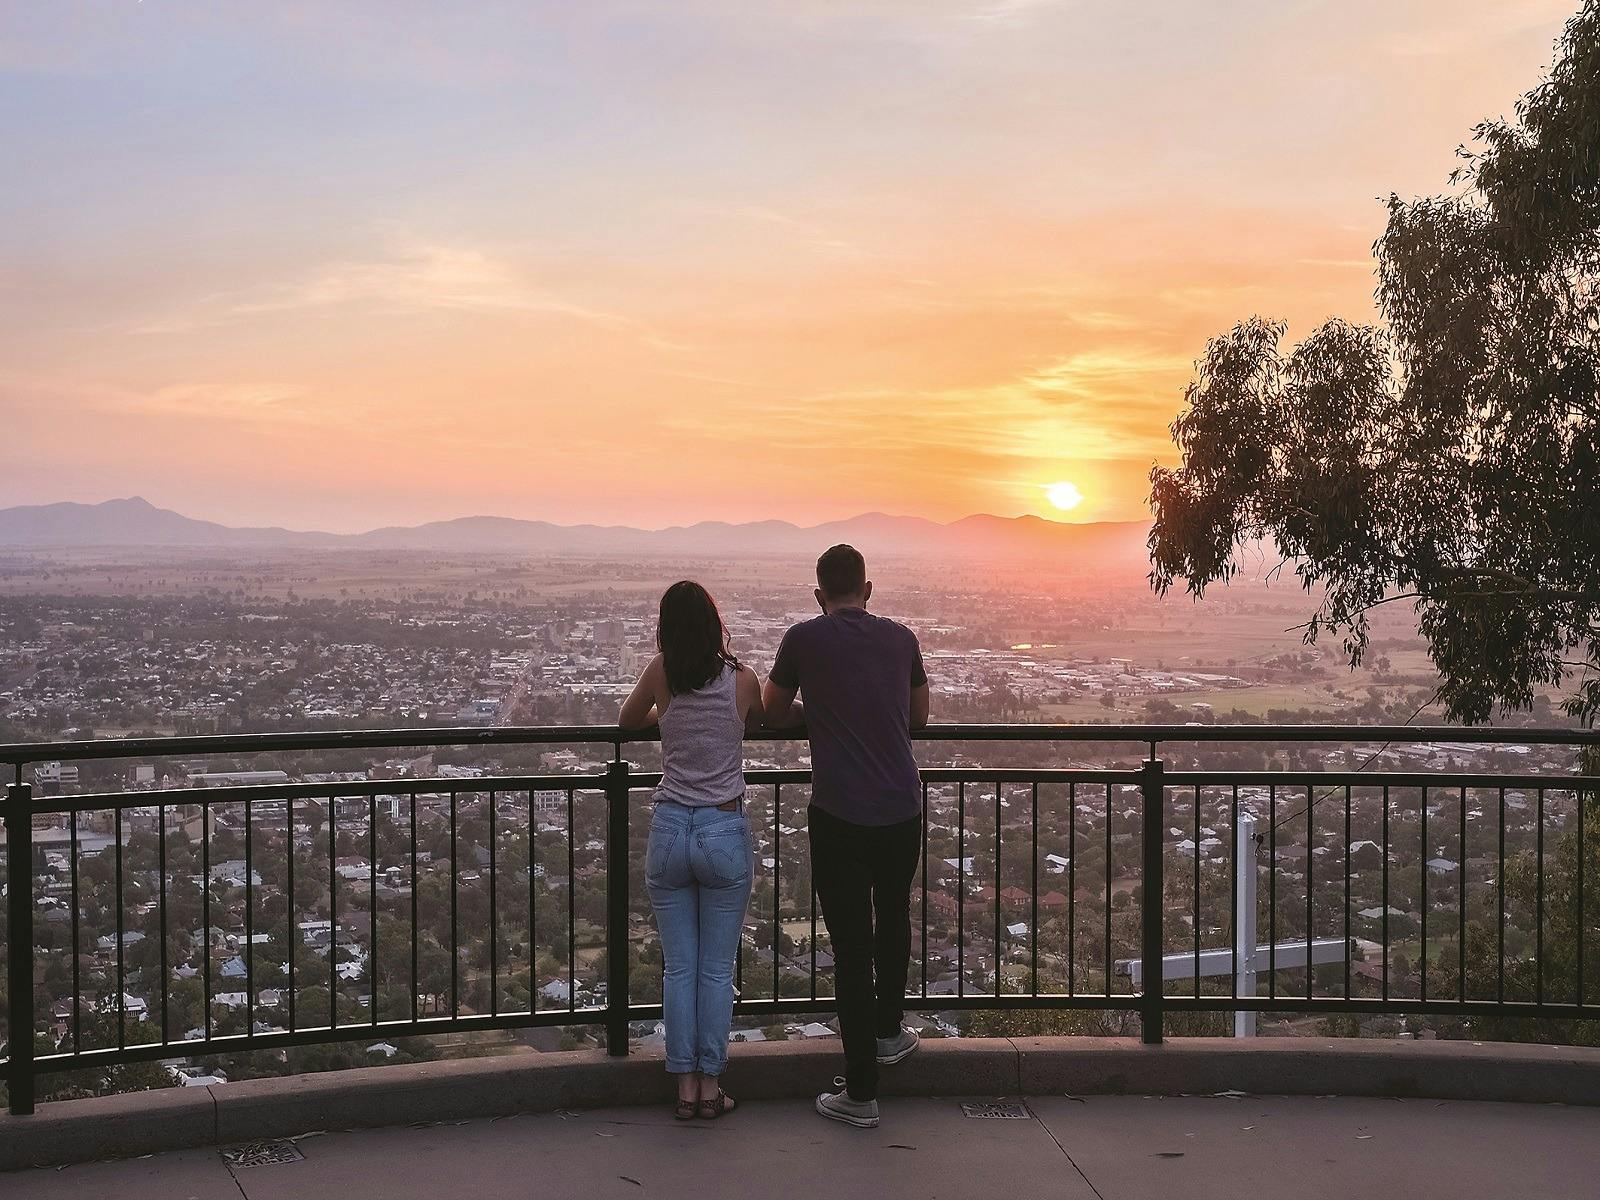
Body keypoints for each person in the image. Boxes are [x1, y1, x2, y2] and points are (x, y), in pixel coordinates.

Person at [763, 544, 929, 1129]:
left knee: (853, 949)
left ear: (818, 594)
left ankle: (861, 1093)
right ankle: (887, 1033)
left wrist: (824, 713)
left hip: (839, 813)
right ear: (868, 589)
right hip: (901, 808)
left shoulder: (803, 639)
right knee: (894, 924)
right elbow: (918, 719)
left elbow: (772, 711)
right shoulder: (902, 639)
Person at [620, 580, 765, 1120]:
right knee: (715, 969)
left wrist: (666, 716)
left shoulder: (661, 674)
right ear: (714, 624)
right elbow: (761, 719)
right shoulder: (740, 679)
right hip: (723, 828)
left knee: (679, 969)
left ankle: (683, 1089)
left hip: (671, 828)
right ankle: (711, 1087)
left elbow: (627, 721)